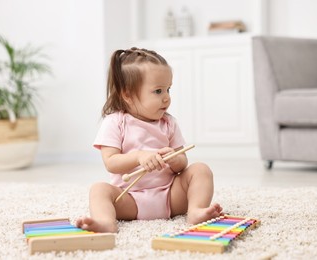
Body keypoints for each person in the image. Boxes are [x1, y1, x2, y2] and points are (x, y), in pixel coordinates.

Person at [76, 47, 222, 233]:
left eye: (168, 89)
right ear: (127, 94)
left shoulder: (169, 123)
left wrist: (175, 159)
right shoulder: (115, 122)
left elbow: (182, 164)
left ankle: (195, 211)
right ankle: (106, 222)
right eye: (158, 91)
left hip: (170, 196)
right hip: (129, 198)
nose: (167, 98)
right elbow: (111, 162)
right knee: (99, 190)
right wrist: (138, 157)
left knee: (201, 169)